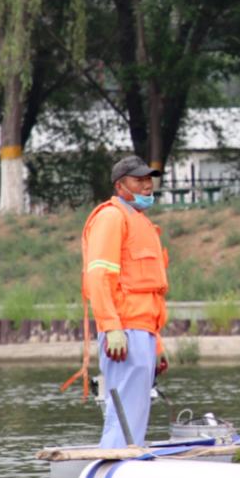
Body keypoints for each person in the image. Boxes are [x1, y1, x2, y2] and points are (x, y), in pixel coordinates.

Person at [72, 155, 170, 448]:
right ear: (120, 185)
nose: (147, 185)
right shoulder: (111, 217)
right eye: (139, 180)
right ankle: (114, 462)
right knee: (125, 411)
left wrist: (157, 344)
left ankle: (127, 459)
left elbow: (150, 293)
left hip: (142, 331)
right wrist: (112, 326)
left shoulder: (139, 220)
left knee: (136, 409)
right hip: (123, 332)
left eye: (149, 179)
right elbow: (99, 277)